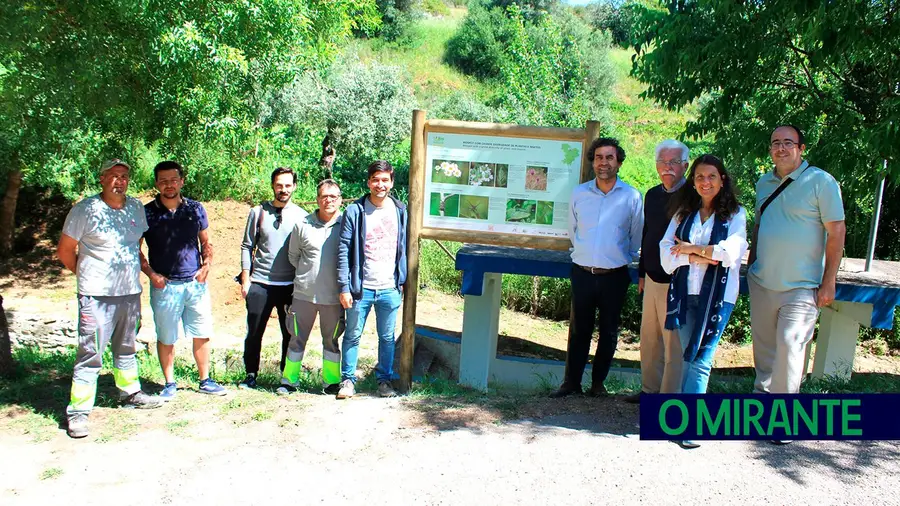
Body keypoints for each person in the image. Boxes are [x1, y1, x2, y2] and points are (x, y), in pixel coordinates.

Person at [57, 159, 162, 438]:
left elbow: (135, 244)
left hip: (129, 291)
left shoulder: (136, 207)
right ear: (102, 179)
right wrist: (86, 274)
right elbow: (66, 250)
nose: (120, 181)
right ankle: (78, 412)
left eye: (125, 176)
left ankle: (130, 393)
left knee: (127, 346)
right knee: (91, 352)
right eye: (114, 176)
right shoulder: (85, 210)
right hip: (96, 294)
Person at [750, 126, 845, 401]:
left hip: (802, 287)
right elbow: (759, 225)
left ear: (801, 148)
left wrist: (829, 282)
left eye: (788, 143)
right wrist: (753, 265)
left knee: (791, 347)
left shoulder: (821, 182)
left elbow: (837, 231)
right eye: (775, 143)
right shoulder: (763, 183)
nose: (781, 148)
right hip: (762, 282)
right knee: (765, 352)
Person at [660, 155, 748, 449]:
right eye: (699, 176)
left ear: (722, 179)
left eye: (711, 176)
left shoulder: (736, 215)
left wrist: (690, 250)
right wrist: (702, 255)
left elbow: (730, 254)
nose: (705, 182)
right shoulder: (683, 214)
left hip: (718, 298)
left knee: (701, 359)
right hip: (685, 294)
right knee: (688, 355)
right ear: (693, 181)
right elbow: (665, 254)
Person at [551, 137, 643, 398]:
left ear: (619, 162)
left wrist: (617, 257)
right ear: (593, 162)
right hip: (582, 273)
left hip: (614, 276)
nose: (604, 163)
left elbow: (635, 237)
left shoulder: (632, 197)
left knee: (609, 332)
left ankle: (598, 384)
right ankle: (571, 383)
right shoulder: (579, 194)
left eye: (610, 157)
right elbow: (573, 230)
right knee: (579, 329)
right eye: (599, 157)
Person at [140, 161, 227, 400]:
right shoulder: (147, 212)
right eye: (163, 181)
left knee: (201, 332)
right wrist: (151, 274)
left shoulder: (196, 209)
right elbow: (135, 249)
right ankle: (169, 384)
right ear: (157, 184)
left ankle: (205, 380)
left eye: (173, 179)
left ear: (182, 181)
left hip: (195, 284)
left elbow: (206, 242)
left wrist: (206, 265)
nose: (169, 185)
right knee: (166, 336)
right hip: (165, 286)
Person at [336, 160, 408, 399]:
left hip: (389, 287)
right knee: (353, 335)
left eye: (385, 180)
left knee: (387, 338)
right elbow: (344, 249)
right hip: (361, 288)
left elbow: (404, 247)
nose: (380, 184)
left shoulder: (400, 210)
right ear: (368, 182)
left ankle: (384, 381)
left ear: (392, 182)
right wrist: (344, 287)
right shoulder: (355, 211)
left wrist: (403, 279)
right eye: (376, 180)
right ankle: (347, 381)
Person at [627, 139, 689, 404]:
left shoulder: (693, 197)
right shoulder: (652, 194)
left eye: (674, 162)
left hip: (677, 280)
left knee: (673, 344)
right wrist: (641, 272)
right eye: (663, 162)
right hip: (651, 277)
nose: (668, 167)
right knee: (650, 339)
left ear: (685, 165)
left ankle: (667, 399)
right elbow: (647, 235)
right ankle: (649, 391)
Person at [238, 167, 308, 389]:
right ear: (272, 186)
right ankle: (250, 374)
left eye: (288, 185)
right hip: (260, 282)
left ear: (294, 187)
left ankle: (287, 378)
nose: (283, 190)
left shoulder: (302, 216)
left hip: (290, 285)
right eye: (279, 185)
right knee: (254, 332)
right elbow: (247, 246)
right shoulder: (258, 212)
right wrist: (246, 280)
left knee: (290, 334)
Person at [277, 179, 345, 395]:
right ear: (317, 199)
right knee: (296, 339)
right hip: (303, 295)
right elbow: (294, 256)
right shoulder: (303, 225)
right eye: (324, 196)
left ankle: (332, 382)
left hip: (333, 297)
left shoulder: (346, 225)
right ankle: (289, 381)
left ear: (340, 200)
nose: (328, 200)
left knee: (332, 341)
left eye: (333, 196)